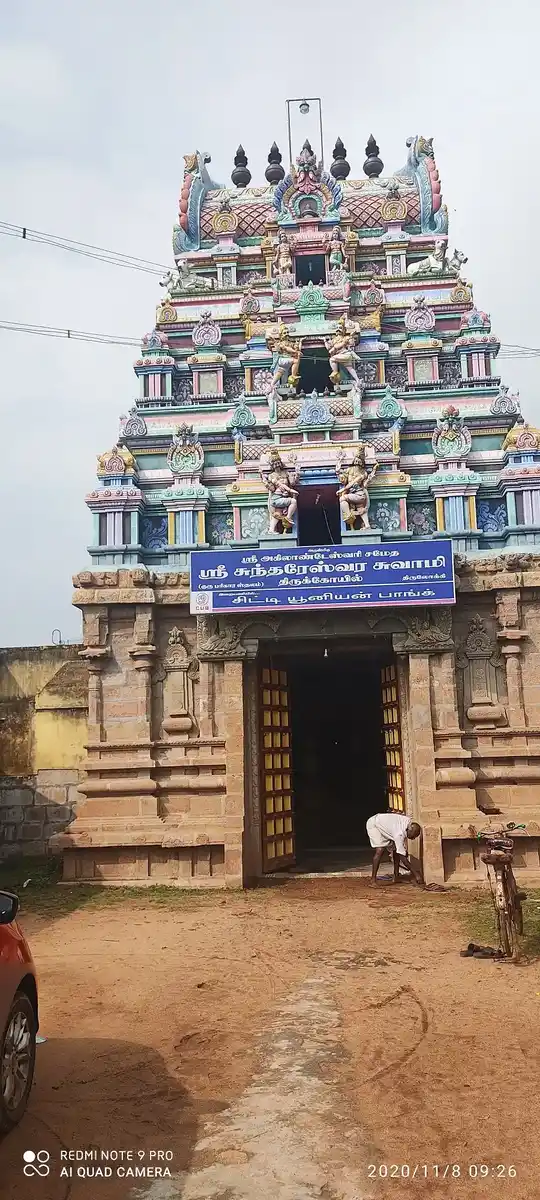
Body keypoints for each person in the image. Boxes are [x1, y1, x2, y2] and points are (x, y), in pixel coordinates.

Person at [366, 811, 423, 887]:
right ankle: (373, 880)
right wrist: (417, 875)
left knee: (396, 849)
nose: (413, 838)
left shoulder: (408, 823)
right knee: (380, 850)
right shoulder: (399, 834)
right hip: (375, 825)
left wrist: (402, 851)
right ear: (409, 830)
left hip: (384, 825)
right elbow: (403, 858)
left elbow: (400, 851)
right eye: (413, 835)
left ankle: (396, 877)